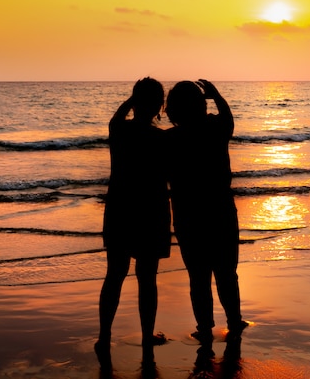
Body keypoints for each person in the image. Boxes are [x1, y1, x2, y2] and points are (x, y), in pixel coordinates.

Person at [95, 77, 172, 375]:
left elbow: (116, 118)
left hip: (120, 209)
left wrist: (132, 100)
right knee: (147, 278)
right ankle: (146, 336)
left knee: (114, 275)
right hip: (151, 210)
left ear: (134, 101)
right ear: (160, 106)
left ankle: (104, 336)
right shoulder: (161, 139)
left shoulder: (120, 131)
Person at [165, 79, 248, 344]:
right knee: (226, 272)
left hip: (188, 214)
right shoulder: (215, 128)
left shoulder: (171, 138)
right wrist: (217, 96)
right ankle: (234, 320)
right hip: (220, 209)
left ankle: (204, 326)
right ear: (201, 104)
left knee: (198, 276)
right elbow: (228, 119)